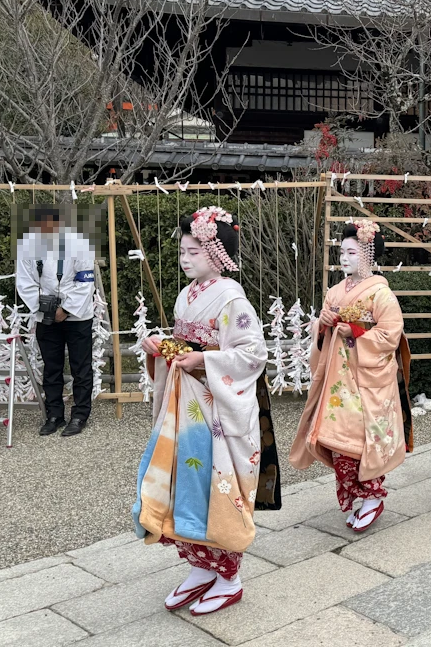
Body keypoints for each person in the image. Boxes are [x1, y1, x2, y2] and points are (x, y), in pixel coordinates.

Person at [134, 206, 280, 616]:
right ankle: (200, 567)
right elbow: (186, 346)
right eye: (183, 250)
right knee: (186, 484)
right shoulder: (187, 295)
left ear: (216, 254)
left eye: (194, 250)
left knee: (215, 487)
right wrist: (161, 348)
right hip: (186, 405)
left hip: (216, 408)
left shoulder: (232, 298)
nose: (185, 257)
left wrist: (204, 361)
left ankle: (229, 576)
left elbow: (253, 353)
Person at [290, 219, 413, 533]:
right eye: (341, 252)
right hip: (336, 379)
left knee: (358, 442)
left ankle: (372, 496)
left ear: (368, 255)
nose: (344, 258)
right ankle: (361, 496)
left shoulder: (381, 296)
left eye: (351, 252)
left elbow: (390, 335)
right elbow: (321, 333)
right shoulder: (334, 292)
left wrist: (356, 331)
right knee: (335, 441)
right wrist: (324, 323)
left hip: (364, 380)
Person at [16, 206, 97, 437]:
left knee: (81, 367)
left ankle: (80, 414)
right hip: (45, 315)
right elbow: (24, 282)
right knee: (51, 367)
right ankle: (54, 414)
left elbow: (85, 281)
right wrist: (45, 308)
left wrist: (66, 308)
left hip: (78, 315)